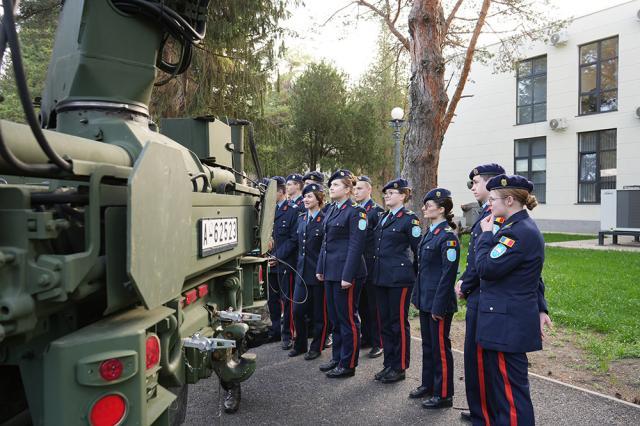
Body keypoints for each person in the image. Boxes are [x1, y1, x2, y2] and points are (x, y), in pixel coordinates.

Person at [455, 165, 551, 424]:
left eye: (494, 199)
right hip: (502, 320)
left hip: (507, 323)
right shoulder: (515, 227)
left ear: (509, 200)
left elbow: (486, 268)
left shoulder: (516, 233)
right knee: (502, 388)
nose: (490, 203)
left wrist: (486, 237)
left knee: (510, 392)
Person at [411, 188, 460, 409]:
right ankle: (428, 384)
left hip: (438, 303)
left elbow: (447, 276)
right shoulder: (430, 232)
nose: (424, 208)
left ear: (441, 209)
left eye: (428, 205)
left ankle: (443, 394)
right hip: (426, 299)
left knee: (440, 348)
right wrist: (417, 297)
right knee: (428, 346)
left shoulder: (448, 237)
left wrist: (437, 306)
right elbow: (423, 270)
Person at [316, 169, 367, 378]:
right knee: (336, 319)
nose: (331, 188)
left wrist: (348, 276)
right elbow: (326, 242)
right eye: (331, 185)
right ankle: (337, 357)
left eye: (336, 185)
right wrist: (320, 268)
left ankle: (348, 364)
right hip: (331, 271)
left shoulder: (356, 212)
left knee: (348, 320)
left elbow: (356, 246)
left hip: (346, 273)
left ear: (347, 189)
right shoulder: (332, 210)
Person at [371, 178, 421, 383]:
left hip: (399, 279)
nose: (387, 196)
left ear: (403, 195)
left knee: (398, 322)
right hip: (381, 276)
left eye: (391, 193)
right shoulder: (384, 217)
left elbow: (419, 250)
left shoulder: (410, 219)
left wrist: (415, 275)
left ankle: (399, 366)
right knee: (384, 321)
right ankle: (388, 364)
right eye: (386, 193)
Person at [290, 183, 329, 360]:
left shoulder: (324, 219)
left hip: (317, 274)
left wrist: (321, 270)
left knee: (319, 315)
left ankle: (317, 346)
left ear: (319, 199)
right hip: (301, 273)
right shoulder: (301, 218)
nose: (305, 199)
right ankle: (300, 345)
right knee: (297, 311)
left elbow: (326, 249)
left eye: (310, 196)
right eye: (304, 196)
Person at [354, 175, 385, 358]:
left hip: (371, 265)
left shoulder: (376, 211)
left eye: (360, 188)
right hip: (359, 266)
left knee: (374, 307)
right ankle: (366, 337)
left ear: (369, 190)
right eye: (355, 189)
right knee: (363, 305)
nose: (356, 192)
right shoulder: (355, 210)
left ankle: (378, 342)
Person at [267, 176, 299, 350]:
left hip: (284, 263)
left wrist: (277, 256)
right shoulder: (267, 209)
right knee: (272, 299)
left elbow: (294, 239)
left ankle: (288, 334)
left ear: (280, 192)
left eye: (271, 191)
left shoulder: (292, 210)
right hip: (268, 262)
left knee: (287, 300)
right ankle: (275, 330)